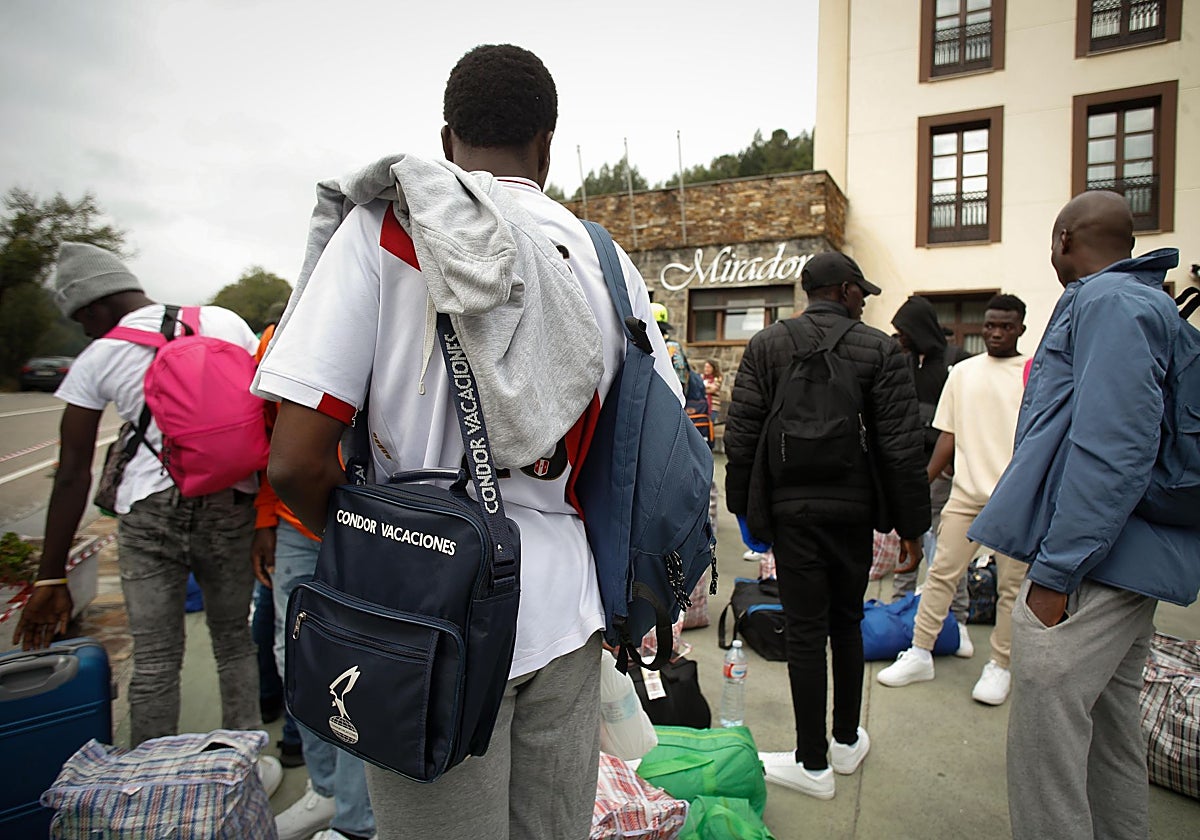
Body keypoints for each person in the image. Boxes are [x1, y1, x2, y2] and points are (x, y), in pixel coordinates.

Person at [253, 44, 677, 840]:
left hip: (422, 615)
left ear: (448, 140)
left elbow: (295, 460)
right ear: (547, 145)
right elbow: (646, 456)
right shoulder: (604, 260)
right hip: (567, 605)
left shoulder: (390, 226)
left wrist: (376, 551)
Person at [969, 191, 1200, 839]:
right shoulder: (1137, 300)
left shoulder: (1109, 302)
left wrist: (1057, 571)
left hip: (1094, 566)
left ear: (1065, 238)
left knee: (1048, 752)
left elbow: (1114, 448)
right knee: (1111, 735)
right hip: (1127, 562)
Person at [12, 243, 282, 793]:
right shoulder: (227, 323)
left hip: (149, 512)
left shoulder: (101, 355)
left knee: (157, 658)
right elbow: (268, 415)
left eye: (79, 318)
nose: (84, 329)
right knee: (233, 640)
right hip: (232, 501)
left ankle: (150, 784)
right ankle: (245, 768)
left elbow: (71, 475)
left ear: (90, 307)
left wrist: (50, 574)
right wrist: (265, 518)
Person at [724, 251, 930, 800]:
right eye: (860, 290)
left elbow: (740, 434)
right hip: (854, 511)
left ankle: (810, 762)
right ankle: (844, 740)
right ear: (841, 290)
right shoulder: (881, 350)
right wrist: (911, 527)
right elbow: (901, 449)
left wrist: (746, 510)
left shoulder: (767, 345)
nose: (864, 298)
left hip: (792, 513)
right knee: (847, 621)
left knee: (806, 631)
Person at [252, 312, 376, 840]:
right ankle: (324, 792)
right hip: (294, 523)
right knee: (294, 657)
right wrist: (264, 519)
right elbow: (269, 435)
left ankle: (355, 817)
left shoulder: (380, 314)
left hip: (369, 523)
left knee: (352, 668)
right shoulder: (280, 333)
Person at [877, 294, 1030, 705]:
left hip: (1016, 499)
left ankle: (1000, 664)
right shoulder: (962, 371)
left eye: (1007, 326)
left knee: (1012, 589)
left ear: (1020, 329)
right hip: (965, 493)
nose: (997, 332)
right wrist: (918, 484)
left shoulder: (1034, 373)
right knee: (942, 572)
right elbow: (948, 435)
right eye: (991, 325)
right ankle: (921, 651)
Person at [890, 294, 972, 641]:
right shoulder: (902, 362)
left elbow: (966, 419)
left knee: (945, 545)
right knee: (905, 536)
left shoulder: (958, 362)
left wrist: (950, 462)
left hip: (943, 470)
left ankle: (957, 615)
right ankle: (899, 606)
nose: (900, 337)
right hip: (908, 466)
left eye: (904, 330)